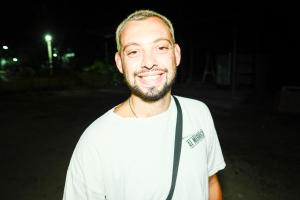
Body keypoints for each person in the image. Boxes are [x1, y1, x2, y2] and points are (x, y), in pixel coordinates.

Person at [63, 9, 226, 200]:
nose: (149, 62)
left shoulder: (199, 113)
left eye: (161, 48)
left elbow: (211, 183)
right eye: (133, 52)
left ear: (176, 54)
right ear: (120, 63)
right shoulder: (96, 141)